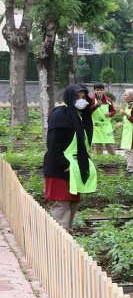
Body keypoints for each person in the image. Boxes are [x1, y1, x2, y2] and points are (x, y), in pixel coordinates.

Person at [43, 84, 97, 230]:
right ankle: (60, 241)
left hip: (76, 167)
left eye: (83, 97)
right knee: (61, 204)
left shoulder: (82, 117)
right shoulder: (60, 115)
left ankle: (68, 239)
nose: (81, 100)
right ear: (69, 98)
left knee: (73, 203)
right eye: (77, 97)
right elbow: (53, 145)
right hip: (59, 168)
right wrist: (64, 164)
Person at [115, 88, 133, 175]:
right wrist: (121, 124)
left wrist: (126, 114)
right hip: (128, 132)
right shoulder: (129, 106)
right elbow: (127, 120)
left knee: (129, 151)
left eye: (126, 95)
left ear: (132, 97)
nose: (124, 96)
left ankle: (130, 169)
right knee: (130, 151)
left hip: (132, 133)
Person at [89, 83, 116, 155]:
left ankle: (114, 161)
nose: (99, 91)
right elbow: (88, 111)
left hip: (106, 126)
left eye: (101, 90)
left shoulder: (108, 100)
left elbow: (113, 111)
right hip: (96, 127)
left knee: (109, 145)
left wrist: (110, 114)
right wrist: (96, 106)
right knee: (98, 146)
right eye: (97, 90)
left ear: (103, 90)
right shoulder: (91, 100)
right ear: (94, 90)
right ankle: (100, 162)